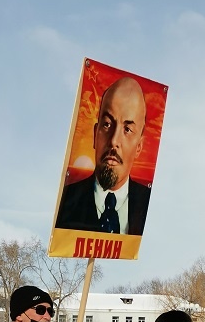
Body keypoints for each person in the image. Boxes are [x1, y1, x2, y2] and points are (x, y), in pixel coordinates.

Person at [55, 76, 151, 236]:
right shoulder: (66, 202)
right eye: (107, 124)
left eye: (127, 130)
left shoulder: (148, 205)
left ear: (139, 147)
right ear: (95, 134)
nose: (114, 141)